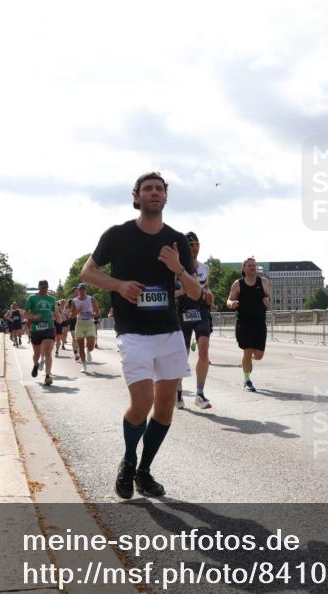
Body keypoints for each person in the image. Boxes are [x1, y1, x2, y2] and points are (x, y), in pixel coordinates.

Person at [80, 171, 200, 499]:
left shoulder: (176, 240)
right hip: (132, 330)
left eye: (160, 188)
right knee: (142, 401)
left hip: (169, 331)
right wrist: (119, 285)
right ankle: (129, 460)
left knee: (165, 406)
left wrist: (178, 268)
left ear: (166, 196)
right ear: (136, 196)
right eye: (148, 188)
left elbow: (195, 293)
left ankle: (144, 471)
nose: (154, 192)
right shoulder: (117, 235)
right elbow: (88, 272)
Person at [175, 231, 214, 409]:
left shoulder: (205, 268)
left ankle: (199, 394)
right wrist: (182, 291)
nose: (194, 248)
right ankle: (178, 390)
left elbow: (207, 289)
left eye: (196, 244)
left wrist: (209, 296)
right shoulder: (176, 268)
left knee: (204, 351)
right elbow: (169, 292)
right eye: (190, 245)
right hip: (182, 311)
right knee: (182, 355)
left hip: (200, 311)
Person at [226, 257, 270, 392]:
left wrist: (267, 301)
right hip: (244, 323)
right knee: (247, 350)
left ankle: (248, 359)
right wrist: (232, 304)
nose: (252, 267)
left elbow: (268, 298)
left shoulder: (263, 282)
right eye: (249, 265)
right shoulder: (238, 284)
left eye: (254, 265)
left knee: (259, 355)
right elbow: (229, 300)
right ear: (243, 269)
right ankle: (247, 380)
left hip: (259, 323)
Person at [24, 280, 58, 386]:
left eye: (45, 288)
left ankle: (47, 376)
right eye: (42, 288)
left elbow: (55, 311)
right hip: (36, 329)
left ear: (48, 288)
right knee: (37, 354)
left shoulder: (51, 299)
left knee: (48, 352)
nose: (44, 290)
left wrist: (59, 317)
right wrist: (34, 317)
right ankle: (35, 364)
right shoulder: (32, 298)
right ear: (39, 288)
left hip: (49, 328)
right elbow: (25, 314)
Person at [71, 283, 100, 373]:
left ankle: (88, 350)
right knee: (81, 346)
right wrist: (78, 311)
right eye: (80, 289)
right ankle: (84, 366)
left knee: (91, 345)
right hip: (80, 324)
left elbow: (98, 312)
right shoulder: (74, 301)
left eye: (83, 289)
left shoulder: (91, 299)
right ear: (78, 290)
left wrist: (94, 314)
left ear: (86, 290)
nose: (82, 291)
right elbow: (71, 315)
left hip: (90, 324)